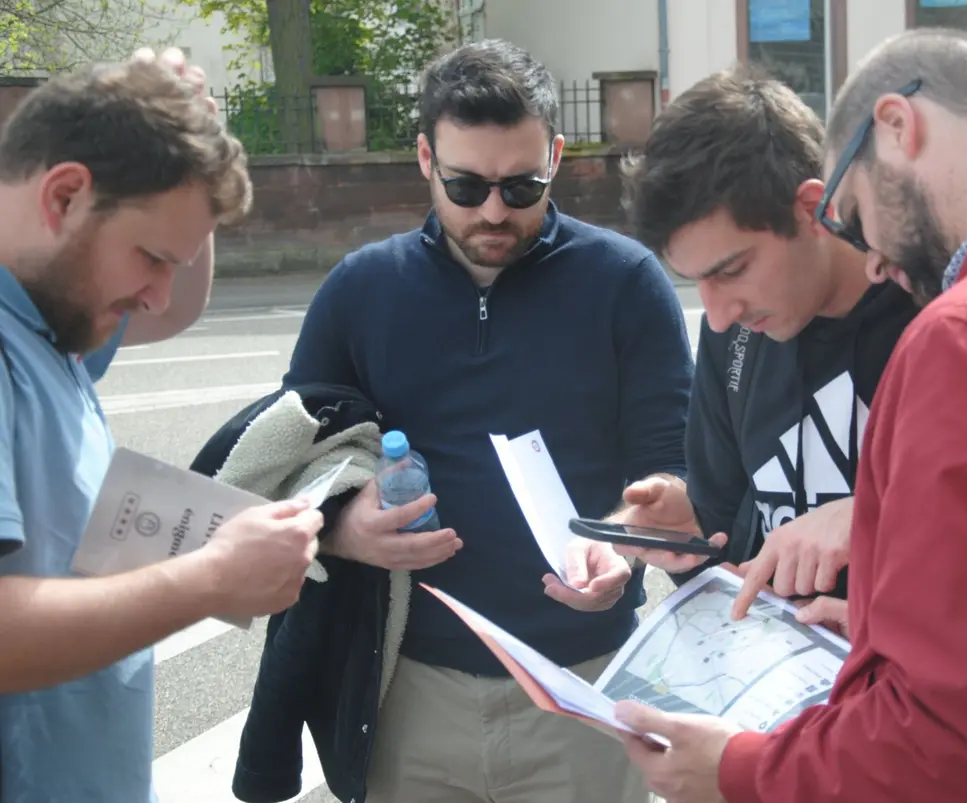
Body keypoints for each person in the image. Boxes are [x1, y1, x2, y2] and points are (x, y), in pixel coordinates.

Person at [613, 27, 967, 803]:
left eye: (853, 212)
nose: (878, 258)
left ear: (898, 126)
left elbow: (951, 749)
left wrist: (735, 769)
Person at [280, 39, 693, 803]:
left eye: (523, 184)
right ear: (425, 159)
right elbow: (290, 470)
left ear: (558, 156)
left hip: (584, 686)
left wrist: (622, 551)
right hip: (407, 687)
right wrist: (342, 530)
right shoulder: (361, 289)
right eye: (467, 185)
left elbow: (674, 464)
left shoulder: (626, 283)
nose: (495, 211)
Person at [0, 50, 324, 802]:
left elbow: (176, 306)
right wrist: (212, 576)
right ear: (65, 196)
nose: (156, 296)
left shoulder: (47, 317)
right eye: (151, 256)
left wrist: (194, 136)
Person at [596, 65, 916, 625]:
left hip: (908, 689)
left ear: (813, 208)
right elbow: (724, 531)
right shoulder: (737, 335)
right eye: (696, 282)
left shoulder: (933, 316)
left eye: (733, 270)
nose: (717, 317)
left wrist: (870, 515)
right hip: (768, 689)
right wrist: (687, 537)